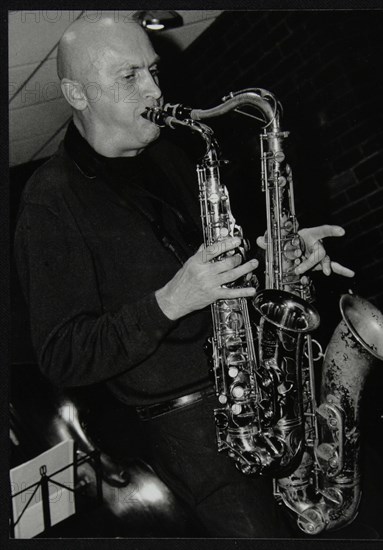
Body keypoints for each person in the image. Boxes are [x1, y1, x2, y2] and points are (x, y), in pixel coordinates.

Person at [14, 14, 355, 537]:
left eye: (152, 70)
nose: (154, 87)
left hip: (270, 394)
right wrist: (170, 301)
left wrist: (279, 258)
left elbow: (227, 275)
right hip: (194, 436)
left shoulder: (175, 158)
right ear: (76, 93)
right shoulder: (50, 200)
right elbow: (62, 353)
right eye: (130, 76)